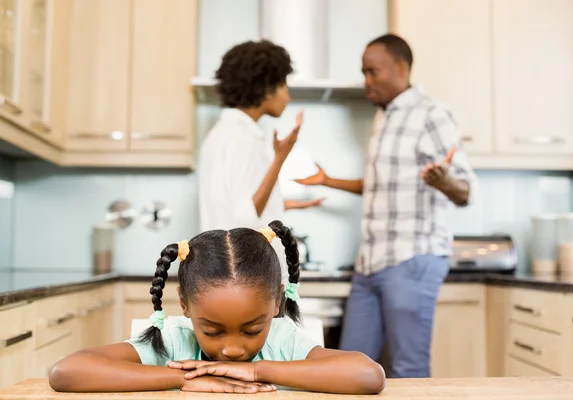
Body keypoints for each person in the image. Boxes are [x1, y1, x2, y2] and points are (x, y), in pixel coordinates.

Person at [295, 34, 477, 378]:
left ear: (401, 67)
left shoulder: (432, 115)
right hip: (371, 262)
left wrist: (445, 181)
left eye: (372, 72)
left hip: (411, 259)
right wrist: (328, 180)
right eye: (363, 72)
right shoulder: (384, 117)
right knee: (349, 367)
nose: (366, 81)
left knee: (407, 367)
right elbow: (382, 187)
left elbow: (466, 189)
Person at [49, 220, 385, 394]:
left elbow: (368, 375)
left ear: (277, 303)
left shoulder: (283, 341)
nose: (233, 349)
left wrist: (258, 371)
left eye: (252, 329)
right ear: (184, 304)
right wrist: (182, 381)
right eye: (211, 330)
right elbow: (66, 372)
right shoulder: (173, 341)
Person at [199, 40, 323, 235]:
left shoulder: (220, 134)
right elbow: (245, 218)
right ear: (267, 89)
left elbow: (232, 205)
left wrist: (282, 204)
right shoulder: (243, 139)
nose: (287, 97)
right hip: (244, 264)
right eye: (284, 86)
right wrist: (280, 158)